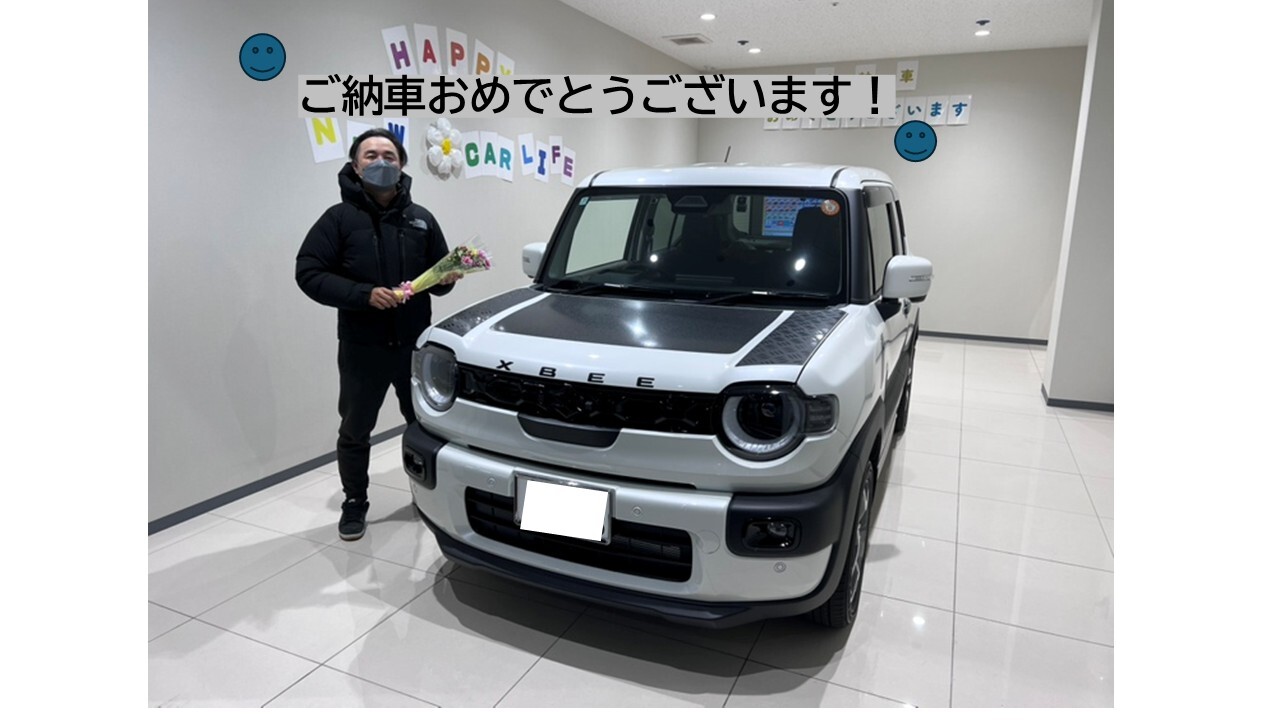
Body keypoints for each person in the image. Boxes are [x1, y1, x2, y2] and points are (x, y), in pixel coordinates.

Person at [296, 128, 461, 541]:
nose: (381, 162)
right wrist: (362, 295)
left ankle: (428, 494)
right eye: (370, 155)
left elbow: (437, 278)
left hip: (415, 346)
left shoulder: (421, 218)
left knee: (423, 425)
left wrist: (447, 278)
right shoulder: (338, 219)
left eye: (389, 155)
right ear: (355, 166)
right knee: (355, 431)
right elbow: (309, 272)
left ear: (402, 164)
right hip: (362, 347)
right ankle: (355, 501)